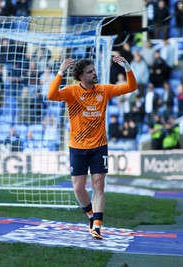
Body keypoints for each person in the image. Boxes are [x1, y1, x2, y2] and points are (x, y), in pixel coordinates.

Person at [47, 56, 137, 239]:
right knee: (78, 188)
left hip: (99, 146)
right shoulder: (71, 92)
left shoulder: (104, 90)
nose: (94, 73)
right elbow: (51, 95)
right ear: (80, 76)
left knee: (98, 185)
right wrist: (60, 72)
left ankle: (97, 225)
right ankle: (90, 215)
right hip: (77, 147)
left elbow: (131, 87)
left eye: (94, 70)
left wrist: (127, 66)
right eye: (89, 72)